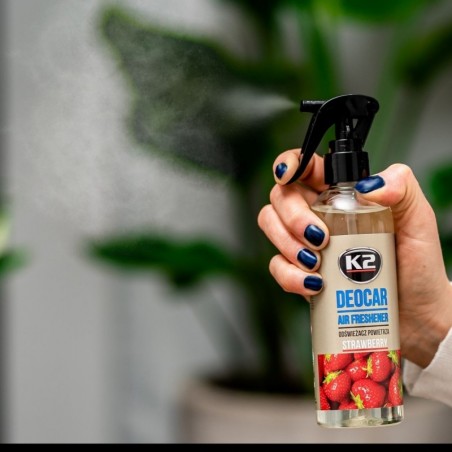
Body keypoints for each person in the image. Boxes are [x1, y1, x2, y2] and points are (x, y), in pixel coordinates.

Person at [257, 149, 452, 408]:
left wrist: (431, 324)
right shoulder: (326, 206)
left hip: (377, 361)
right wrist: (430, 331)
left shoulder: (377, 205)